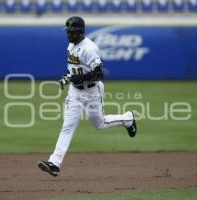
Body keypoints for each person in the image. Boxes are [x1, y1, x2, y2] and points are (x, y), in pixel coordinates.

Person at [38, 16, 137, 177]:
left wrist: (75, 78)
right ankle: (54, 163)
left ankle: (128, 119)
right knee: (67, 127)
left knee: (100, 124)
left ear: (80, 32)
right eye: (68, 31)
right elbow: (74, 69)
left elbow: (99, 73)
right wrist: (67, 76)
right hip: (75, 93)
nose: (69, 34)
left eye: (72, 32)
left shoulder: (89, 48)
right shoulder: (71, 45)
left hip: (92, 92)